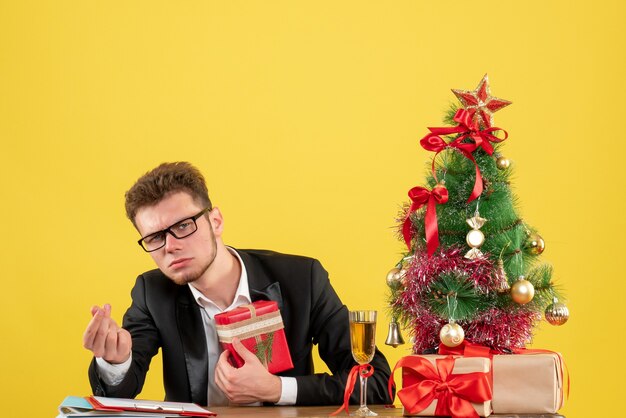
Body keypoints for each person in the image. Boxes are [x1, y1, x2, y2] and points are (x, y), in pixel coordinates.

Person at [82, 162, 392, 407]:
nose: (170, 246)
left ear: (215, 221)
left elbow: (376, 382)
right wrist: (116, 362)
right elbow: (120, 391)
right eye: (154, 237)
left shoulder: (302, 279)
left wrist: (276, 388)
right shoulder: (152, 293)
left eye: (183, 226)